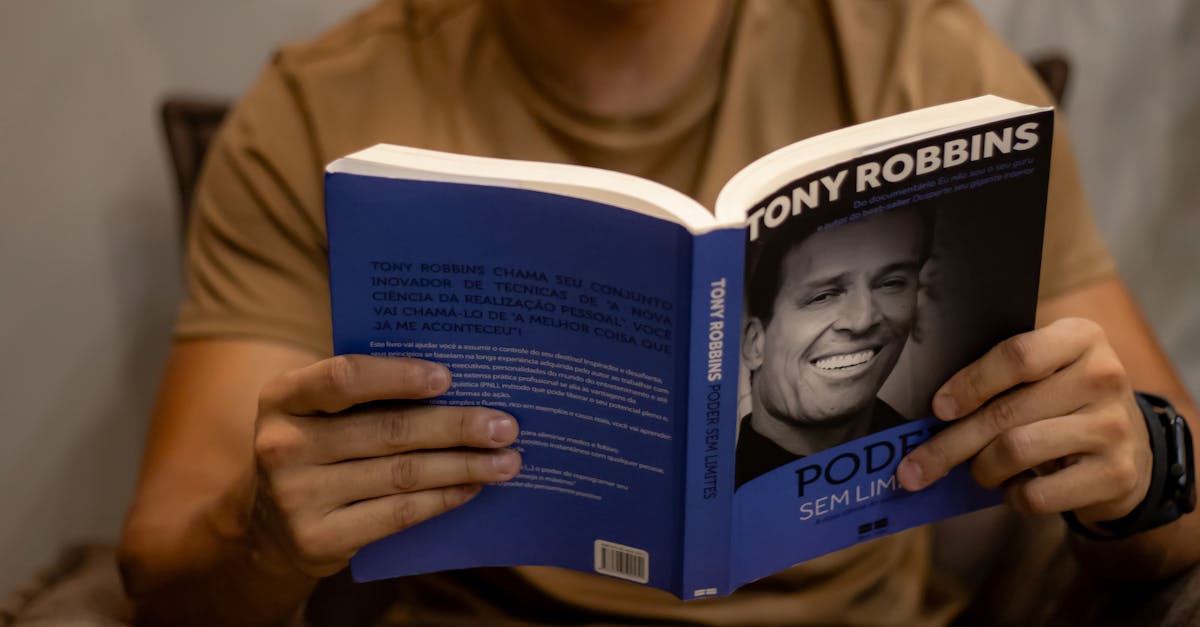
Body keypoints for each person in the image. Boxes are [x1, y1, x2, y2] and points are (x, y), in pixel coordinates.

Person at [118, 1, 1199, 626]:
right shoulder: (319, 108)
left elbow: (1184, 515)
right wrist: (261, 531)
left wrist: (1138, 468)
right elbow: (162, 575)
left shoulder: (927, 60)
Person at [736, 207, 931, 487]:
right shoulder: (713, 492)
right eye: (823, 296)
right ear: (755, 343)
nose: (863, 320)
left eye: (891, 283)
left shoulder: (942, 457)